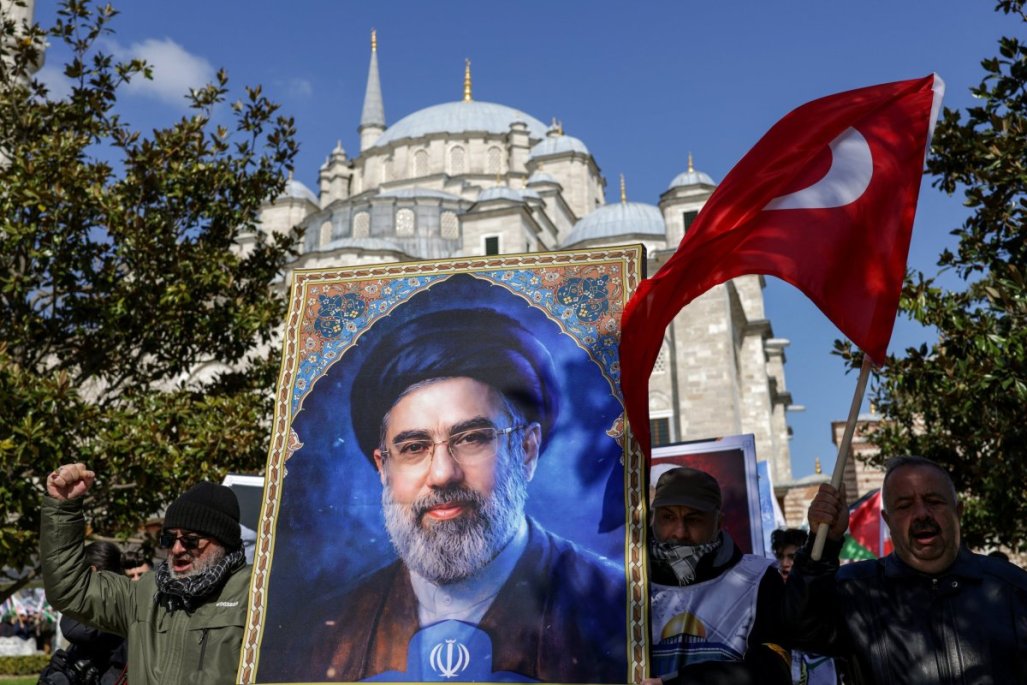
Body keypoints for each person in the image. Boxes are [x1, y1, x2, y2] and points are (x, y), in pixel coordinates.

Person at [268, 308, 626, 683]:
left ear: (526, 450)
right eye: (413, 447)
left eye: (471, 439)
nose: (442, 474)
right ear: (383, 467)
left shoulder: (619, 609)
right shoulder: (321, 636)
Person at [784, 455, 1027, 684]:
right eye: (904, 506)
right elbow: (800, 630)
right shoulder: (856, 591)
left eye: (934, 501)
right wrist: (824, 541)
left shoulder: (1011, 589)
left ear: (958, 512)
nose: (921, 514)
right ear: (888, 521)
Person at [41, 464, 250, 684]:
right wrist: (63, 508)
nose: (177, 549)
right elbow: (71, 588)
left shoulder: (254, 592)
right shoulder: (146, 593)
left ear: (223, 541)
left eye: (190, 540)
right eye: (169, 539)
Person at [644, 467, 790, 685]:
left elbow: (774, 672)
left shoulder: (759, 579)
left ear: (718, 523)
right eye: (668, 517)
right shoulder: (626, 582)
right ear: (653, 519)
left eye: (693, 519)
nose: (679, 532)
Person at [40, 541, 128, 685]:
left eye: (78, 574)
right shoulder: (114, 606)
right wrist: (57, 668)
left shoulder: (115, 612)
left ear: (92, 572)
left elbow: (73, 629)